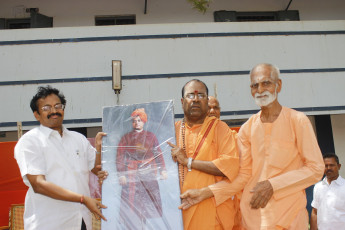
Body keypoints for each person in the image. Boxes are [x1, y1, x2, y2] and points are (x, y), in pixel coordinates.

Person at [179, 64, 325, 229]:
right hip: (253, 218)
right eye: (255, 85)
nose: (260, 89)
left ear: (279, 85)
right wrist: (204, 193)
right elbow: (243, 176)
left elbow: (316, 169)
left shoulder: (297, 120)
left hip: (289, 217)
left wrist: (273, 184)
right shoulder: (247, 128)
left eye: (266, 83)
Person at [14, 86, 107, 230]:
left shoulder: (78, 139)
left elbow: (96, 168)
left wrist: (100, 150)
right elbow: (38, 184)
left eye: (58, 106)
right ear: (36, 115)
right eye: (46, 108)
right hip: (49, 222)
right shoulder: (30, 141)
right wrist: (82, 199)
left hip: (80, 220)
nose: (54, 111)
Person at [168, 79, 239, 230]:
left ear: (207, 101)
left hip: (213, 216)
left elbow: (229, 167)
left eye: (201, 95)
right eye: (190, 96)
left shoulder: (220, 128)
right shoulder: (170, 132)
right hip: (178, 215)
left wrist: (188, 161)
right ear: (182, 101)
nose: (195, 100)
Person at [116, 108, 167, 229]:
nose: (137, 123)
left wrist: (163, 170)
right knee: (133, 205)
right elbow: (120, 156)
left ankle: (146, 227)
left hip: (148, 173)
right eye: (134, 121)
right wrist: (121, 174)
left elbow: (158, 153)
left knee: (148, 203)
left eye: (139, 120)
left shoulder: (151, 136)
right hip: (131, 174)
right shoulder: (126, 137)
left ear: (143, 121)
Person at [310, 154, 345, 230]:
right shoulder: (318, 187)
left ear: (339, 166)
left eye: (332, 165)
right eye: (325, 166)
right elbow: (315, 212)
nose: (328, 168)